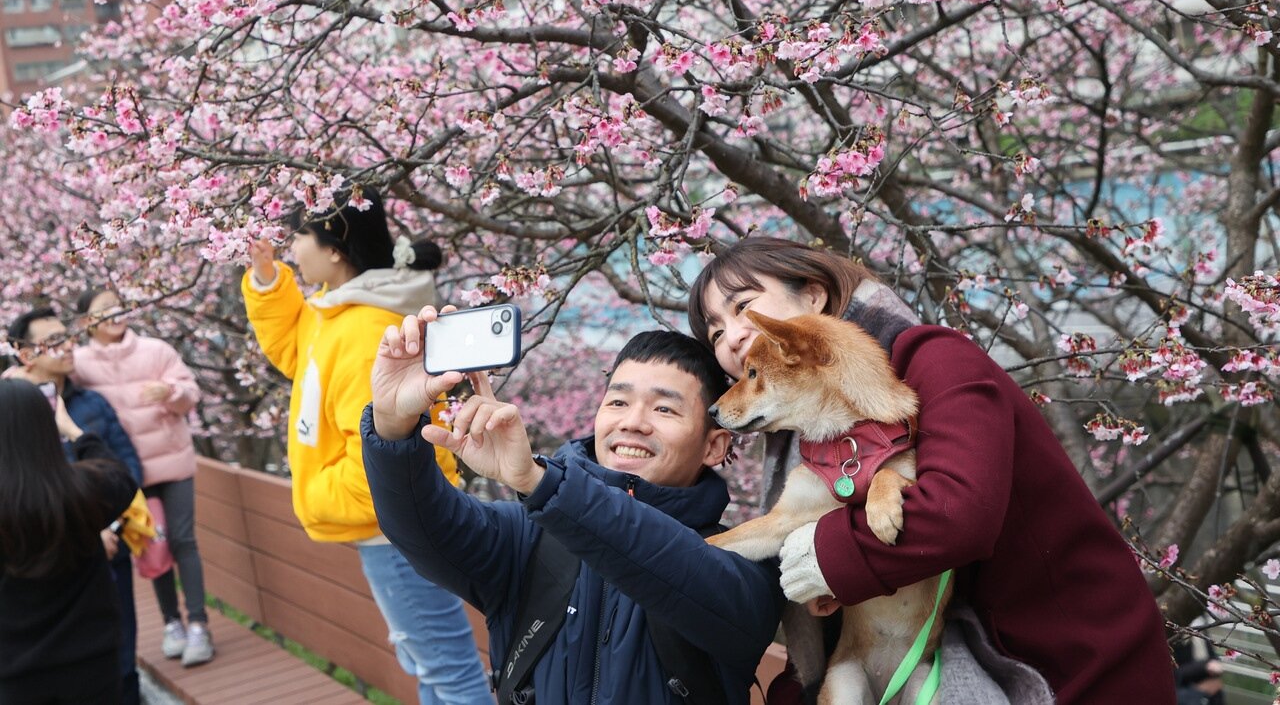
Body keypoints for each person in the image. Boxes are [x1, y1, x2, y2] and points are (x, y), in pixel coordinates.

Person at [687, 236, 1177, 705]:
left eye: (743, 306)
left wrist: (823, 556)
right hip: (949, 658)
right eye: (714, 333)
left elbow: (958, 512)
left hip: (1075, 663)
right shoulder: (810, 432)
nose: (732, 336)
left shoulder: (938, 360)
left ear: (813, 296)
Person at [362, 315, 784, 705]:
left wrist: (540, 482)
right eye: (617, 402)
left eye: (664, 408)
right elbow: (422, 524)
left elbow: (679, 569)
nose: (632, 422)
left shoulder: (742, 563)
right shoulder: (529, 536)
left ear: (714, 445)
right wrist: (392, 424)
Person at [241, 187, 492, 705]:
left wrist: (316, 491)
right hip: (393, 528)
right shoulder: (338, 315)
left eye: (300, 237)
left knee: (448, 671)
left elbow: (375, 462)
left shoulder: (362, 330)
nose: (292, 249)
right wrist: (268, 281)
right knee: (429, 664)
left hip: (395, 532)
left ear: (334, 248)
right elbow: (296, 350)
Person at [9, 306, 147, 705]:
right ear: (24, 353)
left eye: (66, 337)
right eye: (52, 342)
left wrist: (111, 528)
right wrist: (88, 521)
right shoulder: (15, 402)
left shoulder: (94, 402)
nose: (66, 347)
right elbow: (118, 479)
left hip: (107, 551)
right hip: (81, 643)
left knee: (124, 657)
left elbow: (129, 467)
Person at [72, 287, 213, 667]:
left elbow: (190, 394)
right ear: (87, 322)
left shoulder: (155, 350)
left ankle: (199, 623)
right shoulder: (79, 364)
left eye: (119, 306)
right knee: (152, 545)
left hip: (174, 463)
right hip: (129, 474)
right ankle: (172, 622)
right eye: (104, 310)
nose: (116, 314)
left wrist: (169, 392)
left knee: (183, 540)